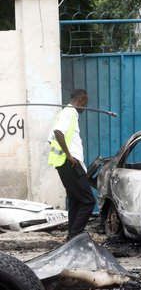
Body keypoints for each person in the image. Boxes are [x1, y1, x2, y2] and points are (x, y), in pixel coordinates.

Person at [48, 89, 95, 241]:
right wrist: (69, 155)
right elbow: (57, 132)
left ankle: (71, 236)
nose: (85, 107)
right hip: (70, 164)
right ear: (81, 100)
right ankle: (75, 235)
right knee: (88, 201)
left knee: (75, 201)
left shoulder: (66, 114)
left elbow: (51, 138)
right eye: (85, 103)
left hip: (65, 164)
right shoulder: (69, 113)